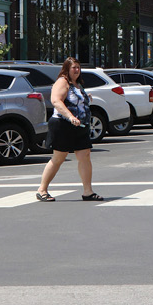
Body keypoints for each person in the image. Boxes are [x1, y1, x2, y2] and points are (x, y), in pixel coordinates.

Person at [36, 57, 102, 202]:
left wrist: (85, 97)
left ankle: (87, 191)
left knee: (84, 154)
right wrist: (70, 116)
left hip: (80, 126)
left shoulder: (77, 84)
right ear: (67, 69)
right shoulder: (62, 82)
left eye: (78, 67)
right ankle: (42, 190)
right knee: (59, 157)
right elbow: (56, 101)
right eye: (74, 68)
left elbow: (74, 99)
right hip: (62, 124)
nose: (77, 70)